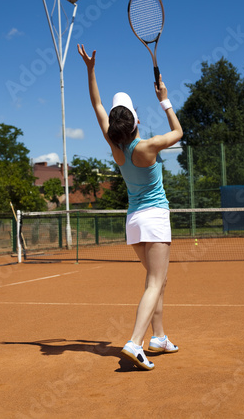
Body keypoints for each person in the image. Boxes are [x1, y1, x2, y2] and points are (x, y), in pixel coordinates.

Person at [77, 44, 183, 371]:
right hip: (154, 218)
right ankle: (136, 342)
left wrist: (90, 69)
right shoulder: (149, 146)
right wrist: (164, 98)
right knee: (155, 283)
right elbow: (179, 132)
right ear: (136, 120)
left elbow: (95, 102)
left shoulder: (115, 148)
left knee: (157, 280)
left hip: (134, 223)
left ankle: (159, 338)